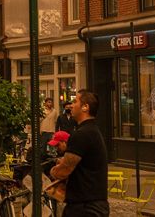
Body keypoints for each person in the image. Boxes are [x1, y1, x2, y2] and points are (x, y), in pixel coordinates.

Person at [51, 89, 109, 217]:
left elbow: (63, 171)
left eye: (75, 101)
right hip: (91, 205)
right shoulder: (92, 131)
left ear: (85, 107)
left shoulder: (82, 134)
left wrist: (54, 170)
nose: (71, 105)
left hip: (85, 208)